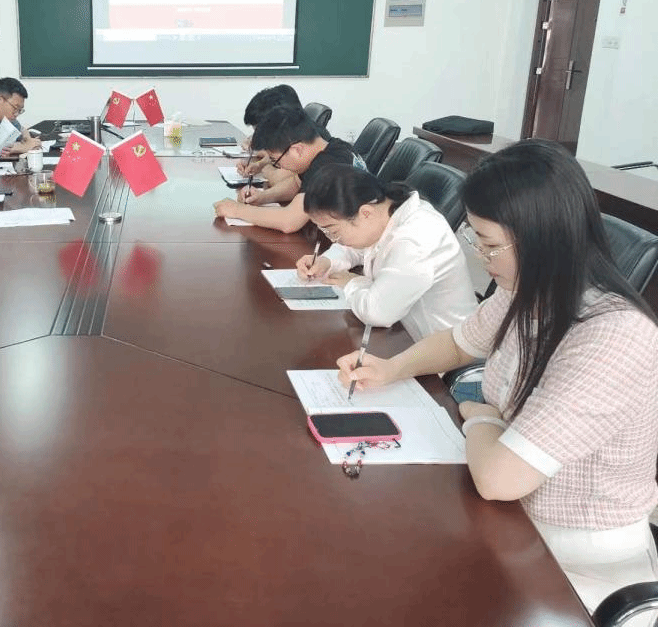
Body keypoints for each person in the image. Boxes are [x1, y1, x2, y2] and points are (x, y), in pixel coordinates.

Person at [335, 140, 658, 614]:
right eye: (477, 240)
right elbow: (458, 343)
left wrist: (481, 416)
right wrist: (391, 368)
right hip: (509, 519)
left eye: (489, 245)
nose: (481, 259)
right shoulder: (529, 287)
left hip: (574, 559)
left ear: (541, 238)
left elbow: (498, 479)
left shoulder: (615, 336)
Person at [294, 165, 477, 340]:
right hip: (403, 331)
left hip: (438, 349)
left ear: (365, 213)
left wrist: (351, 282)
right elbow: (359, 246)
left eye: (333, 231)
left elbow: (377, 313)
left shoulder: (415, 239)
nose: (334, 239)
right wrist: (327, 261)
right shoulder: (385, 210)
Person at [213, 105, 365, 233]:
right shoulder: (331, 148)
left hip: (355, 246)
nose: (280, 167)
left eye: (276, 160)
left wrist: (237, 210)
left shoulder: (327, 167)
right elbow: (296, 184)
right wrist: (263, 197)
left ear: (297, 150)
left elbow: (289, 221)